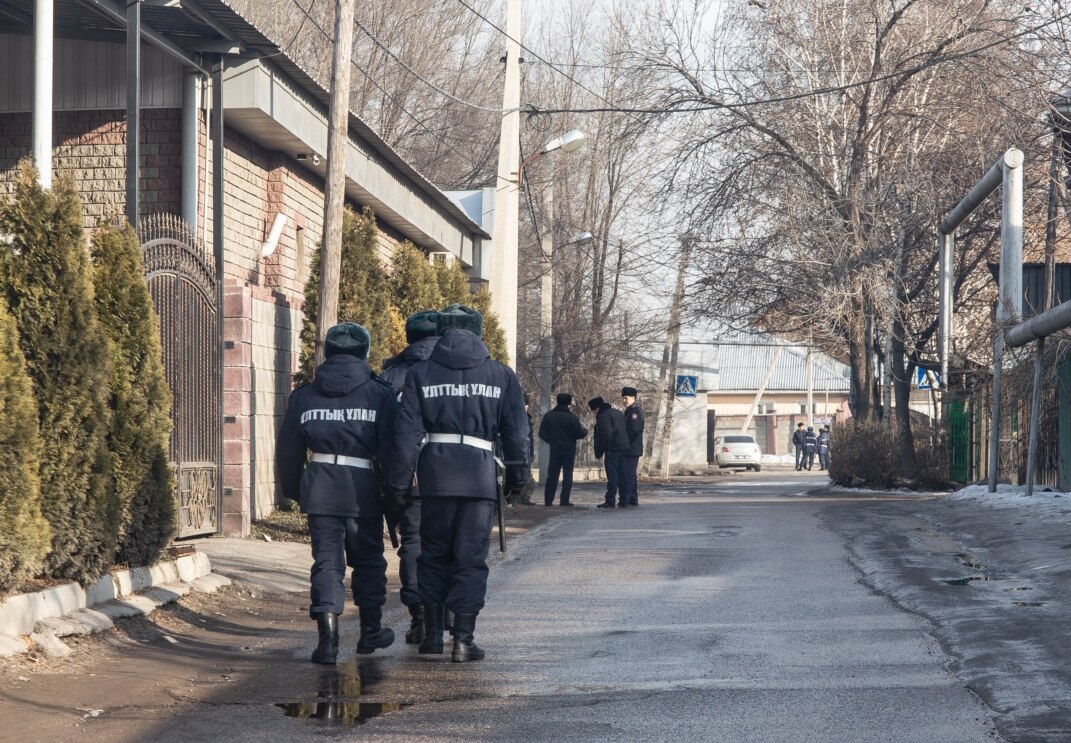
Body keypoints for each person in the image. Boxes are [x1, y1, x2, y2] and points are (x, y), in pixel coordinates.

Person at [387, 304, 529, 663]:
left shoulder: (421, 373)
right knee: (470, 559)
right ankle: (463, 640)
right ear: (479, 332)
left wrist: (400, 482)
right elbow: (516, 433)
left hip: (435, 476)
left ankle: (432, 636)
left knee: (433, 555)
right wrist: (518, 477)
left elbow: (407, 433)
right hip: (478, 477)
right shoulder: (501, 375)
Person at [276, 323, 398, 665]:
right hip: (363, 489)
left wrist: (295, 490)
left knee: (327, 562)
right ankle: (370, 632)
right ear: (365, 352)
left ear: (327, 352)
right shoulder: (380, 394)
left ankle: (327, 643)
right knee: (369, 560)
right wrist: (392, 495)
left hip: (320, 487)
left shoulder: (304, 395)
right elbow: (390, 451)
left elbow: (288, 450)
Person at [379, 309, 438, 646]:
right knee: (447, 544)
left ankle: (418, 617)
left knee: (413, 543)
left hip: (408, 474)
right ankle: (444, 615)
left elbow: (383, 432)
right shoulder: (448, 374)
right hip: (448, 472)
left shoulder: (391, 376)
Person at [538, 393, 587, 506]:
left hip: (555, 448)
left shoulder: (549, 416)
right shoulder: (572, 418)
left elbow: (541, 433)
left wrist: (551, 441)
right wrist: (585, 431)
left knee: (552, 475)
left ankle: (548, 501)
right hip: (569, 449)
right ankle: (564, 501)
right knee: (567, 475)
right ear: (569, 402)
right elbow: (579, 433)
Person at [589, 396, 629, 508]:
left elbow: (606, 434)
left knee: (613, 476)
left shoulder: (603, 416)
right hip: (624, 447)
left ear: (596, 409)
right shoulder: (617, 413)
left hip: (613, 449)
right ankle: (624, 500)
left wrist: (605, 448)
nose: (593, 413)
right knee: (622, 475)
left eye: (593, 411)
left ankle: (610, 500)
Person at [621, 387, 644, 507]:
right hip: (631, 448)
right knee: (631, 474)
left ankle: (626, 499)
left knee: (628, 474)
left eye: (626, 398)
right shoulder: (629, 411)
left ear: (633, 398)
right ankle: (633, 498)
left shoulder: (635, 411)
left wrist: (623, 440)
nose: (624, 400)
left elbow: (635, 430)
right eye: (623, 398)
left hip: (632, 448)